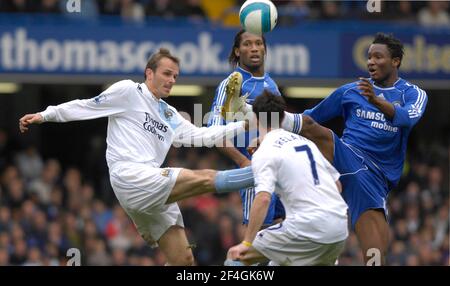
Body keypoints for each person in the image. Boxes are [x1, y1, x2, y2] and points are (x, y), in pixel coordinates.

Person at [19, 48, 256, 266]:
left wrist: (242, 126)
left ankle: (259, 172)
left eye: (175, 76)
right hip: (129, 175)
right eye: (167, 73)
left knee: (184, 260)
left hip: (151, 184)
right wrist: (45, 114)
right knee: (204, 178)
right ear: (149, 73)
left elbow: (202, 136)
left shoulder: (169, 113)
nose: (172, 80)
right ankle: (260, 173)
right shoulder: (128, 91)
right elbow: (86, 106)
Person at [222, 33, 428, 265]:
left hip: (375, 178)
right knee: (311, 126)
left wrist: (377, 102)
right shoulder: (352, 90)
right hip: (346, 154)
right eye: (369, 57)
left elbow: (407, 118)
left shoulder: (414, 94)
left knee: (375, 256)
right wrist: (268, 136)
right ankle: (250, 110)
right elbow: (309, 118)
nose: (371, 62)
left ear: (395, 61)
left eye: (378, 57)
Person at [226, 91, 348, 266]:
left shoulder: (265, 152)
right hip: (339, 227)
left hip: (307, 227)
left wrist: (246, 242)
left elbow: (263, 198)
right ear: (283, 118)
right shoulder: (305, 143)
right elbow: (337, 185)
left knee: (236, 257)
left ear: (256, 119)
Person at [208, 30, 289, 228]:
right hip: (255, 172)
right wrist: (244, 162)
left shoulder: (272, 85)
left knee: (279, 230)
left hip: (280, 171)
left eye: (258, 43)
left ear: (265, 49)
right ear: (237, 51)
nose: (254, 48)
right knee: (255, 236)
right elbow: (214, 133)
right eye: (247, 44)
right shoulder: (232, 83)